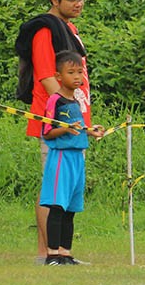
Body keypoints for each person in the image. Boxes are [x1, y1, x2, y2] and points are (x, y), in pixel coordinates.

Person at [15, 0, 90, 264]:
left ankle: (60, 251)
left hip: (75, 123)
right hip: (56, 121)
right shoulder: (45, 30)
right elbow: (47, 77)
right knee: (53, 187)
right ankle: (47, 253)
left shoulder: (69, 28)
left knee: (69, 188)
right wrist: (65, 111)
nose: (79, 4)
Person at [39, 51, 105, 265]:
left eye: (80, 72)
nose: (77, 77)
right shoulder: (55, 101)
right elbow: (47, 131)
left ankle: (66, 254)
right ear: (59, 76)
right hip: (61, 159)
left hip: (78, 159)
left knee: (70, 208)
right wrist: (66, 128)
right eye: (71, 72)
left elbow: (76, 128)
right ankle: (52, 255)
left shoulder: (76, 101)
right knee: (57, 206)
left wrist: (89, 130)